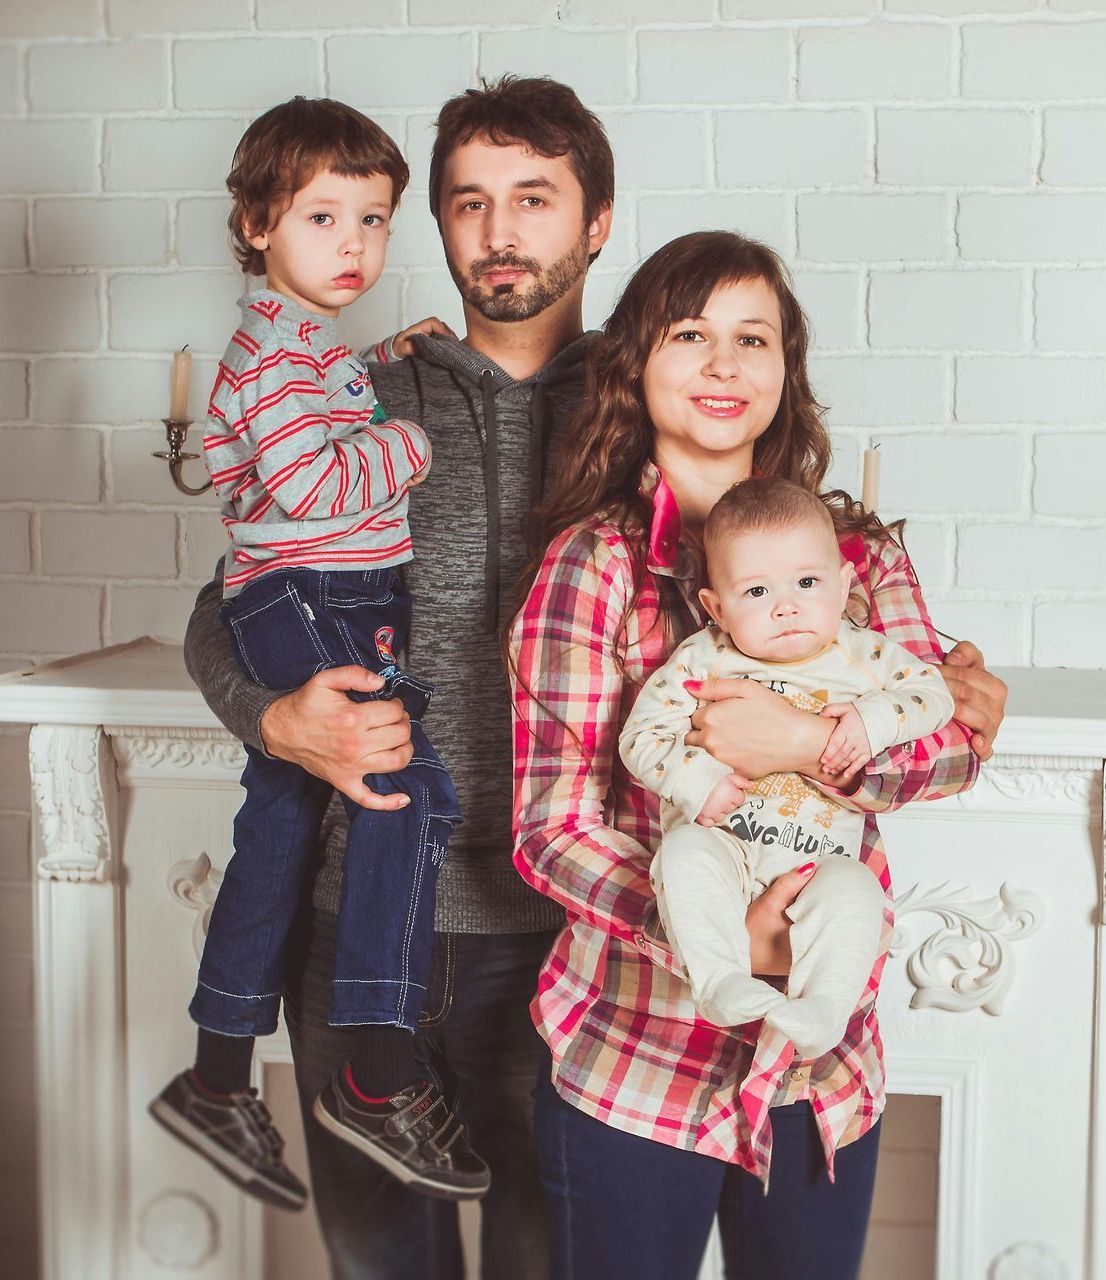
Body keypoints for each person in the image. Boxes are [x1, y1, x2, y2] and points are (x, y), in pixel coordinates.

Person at [508, 230, 1004, 1280]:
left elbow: (951, 746)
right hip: (638, 1050)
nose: (723, 365)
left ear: (786, 370)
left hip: (821, 1065)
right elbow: (550, 826)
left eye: (752, 338)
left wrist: (812, 742)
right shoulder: (590, 565)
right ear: (637, 364)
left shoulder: (854, 554)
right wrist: (718, 933)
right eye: (690, 335)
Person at [182, 76, 614, 1279]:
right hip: (363, 919)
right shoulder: (359, 390)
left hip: (563, 934)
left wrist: (934, 661)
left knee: (552, 1258)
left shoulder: (649, 404)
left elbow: (766, 573)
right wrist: (273, 717)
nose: (499, 230)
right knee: (381, 1265)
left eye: (533, 198)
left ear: (597, 222)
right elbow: (227, 607)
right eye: (468, 202)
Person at [150, 95, 489, 1209]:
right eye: (322, 218)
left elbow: (315, 412)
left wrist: (383, 361)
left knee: (282, 830)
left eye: (373, 220)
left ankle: (215, 1074)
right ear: (256, 222)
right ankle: (374, 1074)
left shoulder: (305, 346)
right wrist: (411, 439)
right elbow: (312, 480)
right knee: (407, 797)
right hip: (311, 599)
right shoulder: (270, 355)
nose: (352, 244)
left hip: (314, 592)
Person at [618, 475, 955, 1059]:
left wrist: (873, 720)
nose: (787, 606)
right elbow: (641, 737)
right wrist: (696, 780)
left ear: (844, 585)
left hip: (815, 863)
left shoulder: (864, 654)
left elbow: (935, 697)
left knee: (857, 891)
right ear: (715, 608)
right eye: (756, 592)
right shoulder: (702, 659)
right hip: (724, 847)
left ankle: (823, 1009)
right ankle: (720, 980)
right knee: (683, 857)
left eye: (807, 582)